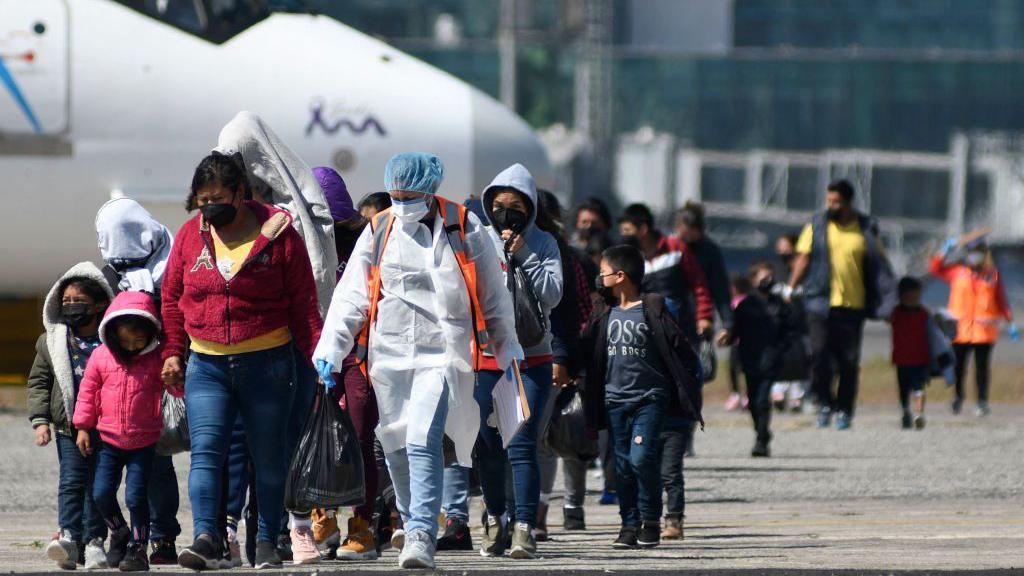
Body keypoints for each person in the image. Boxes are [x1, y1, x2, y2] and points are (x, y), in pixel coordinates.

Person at [313, 152, 522, 570]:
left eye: (409, 196)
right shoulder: (380, 229)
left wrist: (508, 347)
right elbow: (353, 293)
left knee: (423, 437)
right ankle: (411, 523)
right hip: (388, 355)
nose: (402, 203)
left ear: (429, 191)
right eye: (396, 195)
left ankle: (423, 532)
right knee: (394, 442)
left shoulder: (465, 226)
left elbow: (494, 294)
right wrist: (330, 348)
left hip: (443, 352)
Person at [161, 151, 323, 570]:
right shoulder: (188, 237)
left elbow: (303, 304)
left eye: (217, 197)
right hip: (207, 367)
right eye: (201, 200)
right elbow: (173, 300)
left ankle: (267, 541)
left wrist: (318, 362)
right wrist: (172, 353)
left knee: (269, 456)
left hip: (268, 365)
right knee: (207, 454)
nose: (209, 207)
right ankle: (207, 537)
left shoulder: (278, 234)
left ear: (240, 193)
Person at [581, 245, 702, 550]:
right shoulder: (602, 313)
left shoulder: (652, 309)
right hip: (613, 400)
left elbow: (683, 351)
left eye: (603, 273)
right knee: (620, 467)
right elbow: (585, 349)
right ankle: (628, 524)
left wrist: (684, 388)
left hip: (649, 399)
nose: (599, 278)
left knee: (640, 457)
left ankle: (651, 518)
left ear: (620, 276)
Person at [472, 166, 563, 559]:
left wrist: (524, 253)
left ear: (530, 207)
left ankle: (525, 526)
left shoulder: (544, 243)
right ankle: (496, 518)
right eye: (498, 205)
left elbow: (553, 295)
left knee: (521, 444)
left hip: (530, 358)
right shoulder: (478, 240)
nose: (505, 213)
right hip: (487, 359)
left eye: (515, 206)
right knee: (488, 447)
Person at [94, 196, 182, 565]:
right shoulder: (109, 274)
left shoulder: (173, 262)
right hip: (118, 389)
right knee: (111, 480)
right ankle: (122, 533)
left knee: (158, 466)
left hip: (160, 377)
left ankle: (162, 536)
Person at [71, 291, 178, 572]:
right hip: (109, 440)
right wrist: (82, 426)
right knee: (101, 493)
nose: (131, 347)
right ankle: (119, 531)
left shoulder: (156, 358)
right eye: (126, 341)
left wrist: (175, 378)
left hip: (144, 443)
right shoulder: (101, 356)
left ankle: (138, 547)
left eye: (138, 341)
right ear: (113, 333)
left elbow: (176, 389)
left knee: (135, 497)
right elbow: (87, 392)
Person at [307, 166, 381, 562]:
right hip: (318, 353)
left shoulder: (366, 241)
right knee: (318, 437)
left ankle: (362, 526)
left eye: (334, 221)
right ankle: (323, 514)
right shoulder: (302, 241)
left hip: (360, 354)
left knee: (358, 437)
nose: (328, 231)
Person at [788, 179, 897, 430]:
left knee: (848, 361)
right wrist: (791, 287)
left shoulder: (866, 227)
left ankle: (845, 409)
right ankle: (824, 403)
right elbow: (803, 258)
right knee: (819, 354)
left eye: (836, 202)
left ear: (848, 203)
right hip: (819, 301)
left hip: (852, 305)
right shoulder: (816, 224)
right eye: (829, 201)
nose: (831, 206)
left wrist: (888, 301)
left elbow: (880, 265)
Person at [28, 264, 115, 571]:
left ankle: (94, 542)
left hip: (106, 429)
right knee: (71, 483)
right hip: (67, 428)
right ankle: (68, 538)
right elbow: (39, 382)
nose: (71, 306)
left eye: (77, 300)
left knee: (98, 487)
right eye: (65, 301)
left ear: (100, 304)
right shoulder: (52, 342)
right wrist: (40, 421)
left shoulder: (112, 340)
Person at [662, 200, 729, 537]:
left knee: (692, 382)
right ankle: (675, 432)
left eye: (687, 235)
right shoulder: (668, 249)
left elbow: (717, 289)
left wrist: (721, 320)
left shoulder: (710, 252)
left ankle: (684, 432)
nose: (681, 240)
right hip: (666, 324)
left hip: (693, 327)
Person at [929, 238, 1016, 416]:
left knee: (982, 369)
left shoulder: (993, 275)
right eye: (972, 252)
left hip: (984, 332)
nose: (975, 256)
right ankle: (957, 399)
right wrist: (944, 252)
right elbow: (935, 269)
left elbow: (1001, 300)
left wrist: (1010, 321)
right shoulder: (957, 272)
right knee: (958, 368)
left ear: (985, 254)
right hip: (960, 331)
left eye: (979, 252)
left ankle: (982, 402)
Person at [617, 203, 714, 341]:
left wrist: (704, 317)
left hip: (682, 329)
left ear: (643, 229)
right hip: (647, 334)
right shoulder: (629, 259)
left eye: (627, 230)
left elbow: (699, 285)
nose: (623, 236)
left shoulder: (675, 248)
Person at [771, 233, 810, 413]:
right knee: (781, 357)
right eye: (779, 246)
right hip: (781, 323)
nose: (781, 249)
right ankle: (778, 393)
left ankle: (797, 396)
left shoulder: (803, 269)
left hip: (801, 322)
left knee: (800, 360)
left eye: (785, 245)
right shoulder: (777, 269)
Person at [890, 277, 933, 429]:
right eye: (912, 295)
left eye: (917, 295)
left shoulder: (924, 314)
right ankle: (905, 411)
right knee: (903, 389)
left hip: (920, 359)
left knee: (918, 388)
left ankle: (919, 413)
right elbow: (884, 316)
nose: (915, 298)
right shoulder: (896, 313)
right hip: (901, 360)